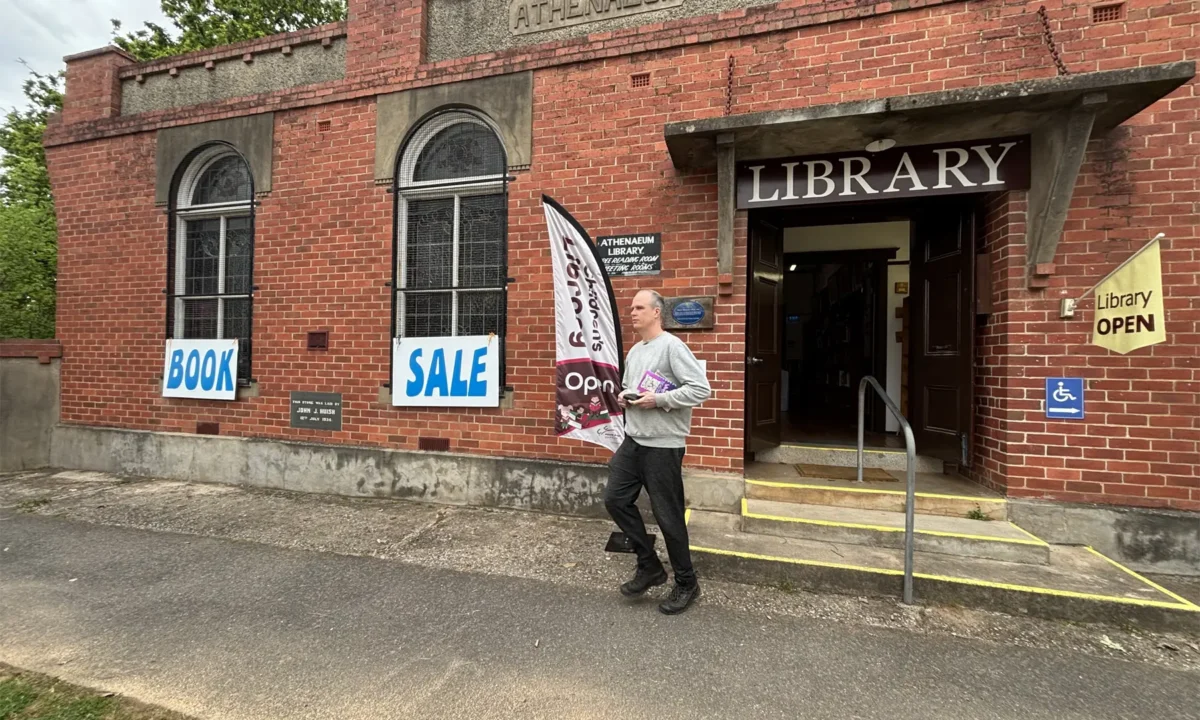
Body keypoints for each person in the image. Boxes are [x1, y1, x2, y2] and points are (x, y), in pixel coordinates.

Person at [606, 289, 712, 615]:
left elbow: (701, 389)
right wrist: (626, 397)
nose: (632, 312)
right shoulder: (635, 351)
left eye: (639, 307)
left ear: (656, 312)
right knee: (615, 499)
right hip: (634, 440)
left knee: (668, 516)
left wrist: (659, 400)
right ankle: (650, 566)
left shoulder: (672, 347)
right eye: (631, 308)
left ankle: (687, 582)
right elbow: (634, 387)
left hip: (663, 446)